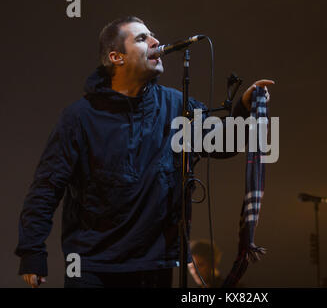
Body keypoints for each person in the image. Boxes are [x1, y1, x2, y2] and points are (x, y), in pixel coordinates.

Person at [15, 16, 274, 288]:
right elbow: (46, 187)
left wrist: (244, 108)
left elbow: (224, 144)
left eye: (153, 35)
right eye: (142, 38)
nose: (155, 42)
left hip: (154, 264)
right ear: (116, 57)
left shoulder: (177, 105)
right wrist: (32, 252)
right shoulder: (78, 117)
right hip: (92, 265)